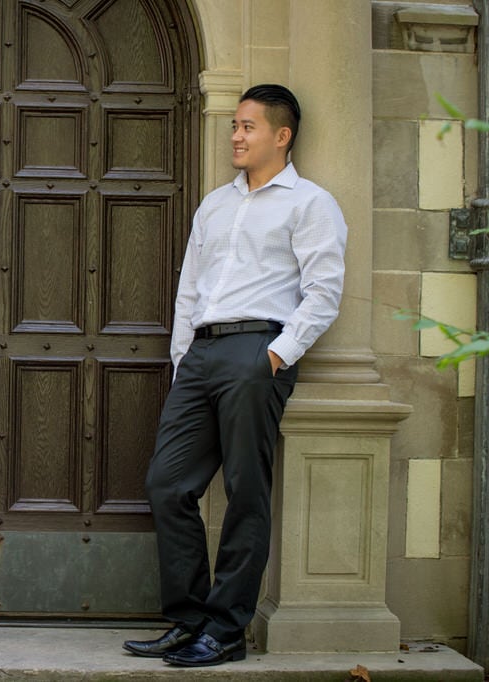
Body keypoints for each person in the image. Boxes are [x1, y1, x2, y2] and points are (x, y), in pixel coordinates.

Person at [122, 84, 347, 667]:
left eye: (248, 127)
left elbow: (324, 293)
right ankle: (189, 618)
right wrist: (181, 361)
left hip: (257, 352)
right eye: (234, 126)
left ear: (282, 135)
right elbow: (189, 289)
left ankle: (224, 632)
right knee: (168, 485)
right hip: (201, 355)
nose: (236, 136)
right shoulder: (214, 204)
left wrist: (274, 356)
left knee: (247, 493)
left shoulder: (310, 204)